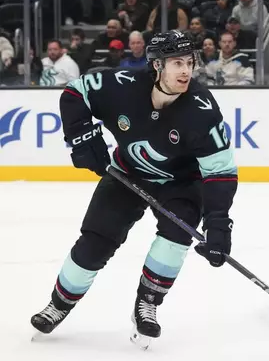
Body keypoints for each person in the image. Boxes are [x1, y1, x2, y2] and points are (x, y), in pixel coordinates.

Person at [30, 30, 238, 347]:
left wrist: (219, 224)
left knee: (174, 240)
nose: (186, 71)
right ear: (156, 65)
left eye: (190, 62)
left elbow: (220, 172)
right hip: (126, 173)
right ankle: (59, 304)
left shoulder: (202, 111)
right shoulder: (122, 85)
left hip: (180, 184)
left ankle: (148, 304)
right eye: (177, 63)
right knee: (94, 242)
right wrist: (83, 137)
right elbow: (75, 92)